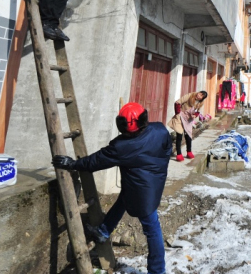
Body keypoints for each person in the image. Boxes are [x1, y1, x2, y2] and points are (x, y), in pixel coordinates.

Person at [52, 102, 171, 274]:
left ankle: (158, 271)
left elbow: (95, 161)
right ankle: (104, 230)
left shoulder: (121, 146)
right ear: (144, 118)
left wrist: (73, 164)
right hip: (154, 181)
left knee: (152, 229)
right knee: (125, 198)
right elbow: (167, 148)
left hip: (143, 190)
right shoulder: (159, 130)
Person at [169, 90, 208, 162]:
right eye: (200, 94)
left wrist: (195, 115)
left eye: (202, 96)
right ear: (199, 92)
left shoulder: (200, 103)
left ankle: (189, 152)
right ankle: (179, 154)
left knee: (188, 136)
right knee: (179, 135)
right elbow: (177, 102)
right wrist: (178, 113)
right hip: (181, 116)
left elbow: (198, 112)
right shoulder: (190, 95)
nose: (199, 96)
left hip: (188, 119)